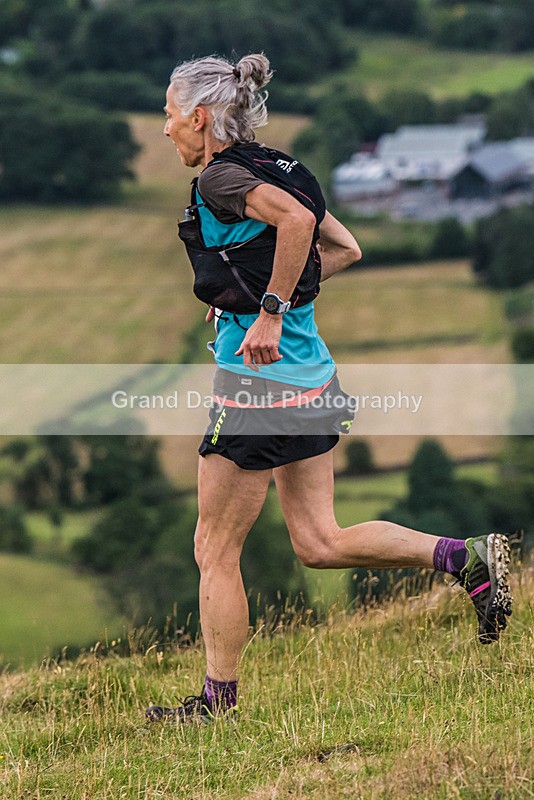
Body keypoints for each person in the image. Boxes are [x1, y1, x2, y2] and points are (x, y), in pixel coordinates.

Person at [146, 54, 513, 724]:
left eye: (169, 114)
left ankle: (215, 706)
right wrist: (244, 295)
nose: (165, 128)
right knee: (318, 541)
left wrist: (268, 309)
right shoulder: (275, 163)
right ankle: (466, 558)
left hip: (260, 387)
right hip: (312, 377)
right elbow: (341, 246)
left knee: (214, 548)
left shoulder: (222, 177)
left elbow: (293, 227)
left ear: (198, 117)